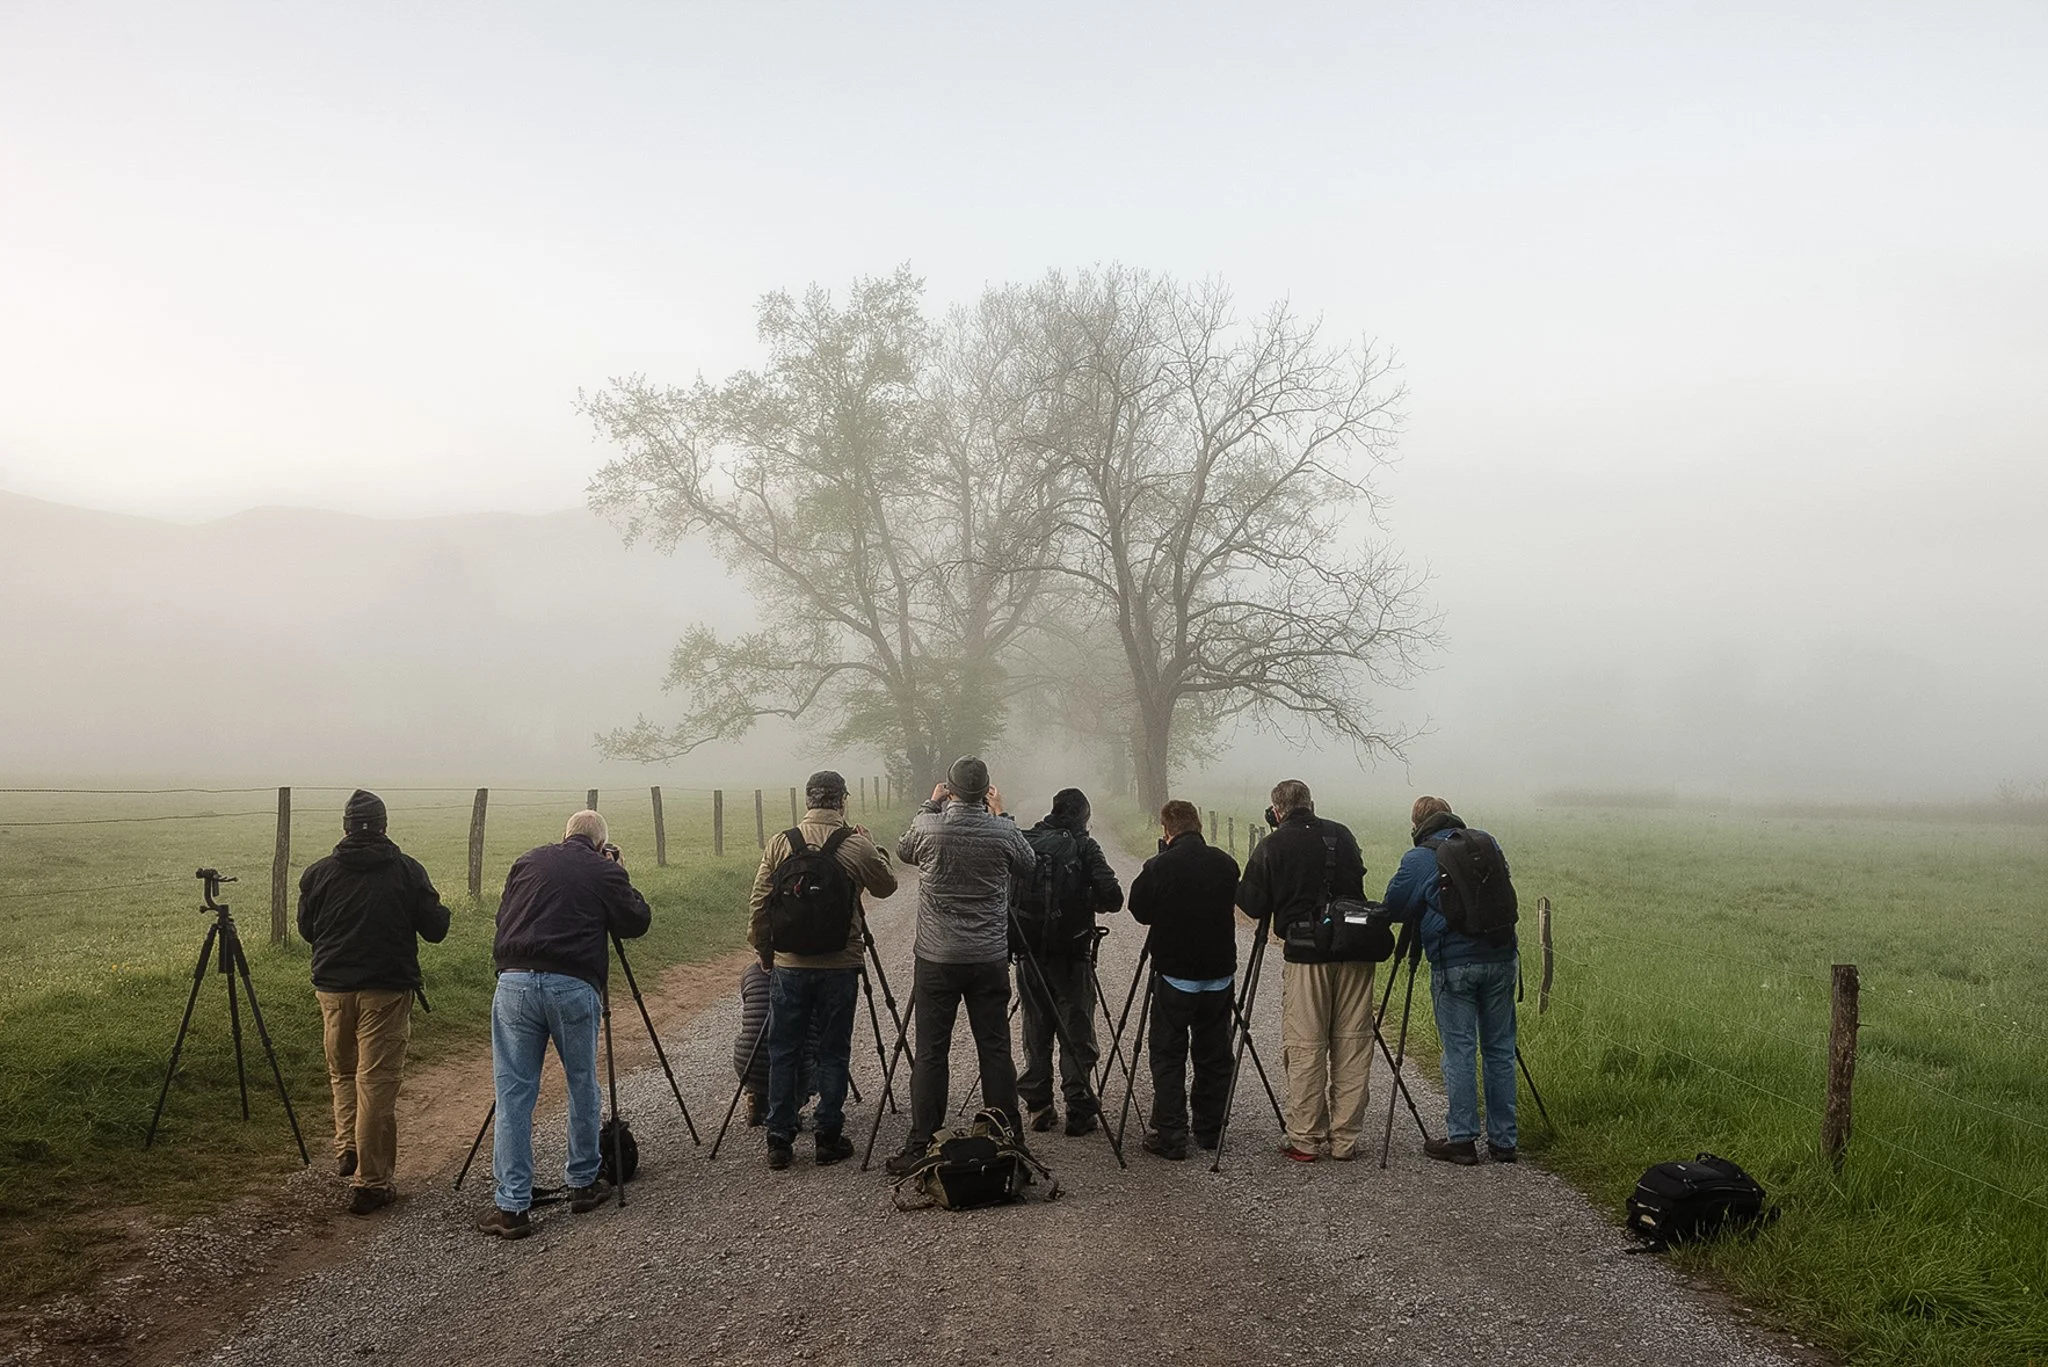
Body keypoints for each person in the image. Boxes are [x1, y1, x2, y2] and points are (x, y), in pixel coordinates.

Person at [477, 810, 651, 1239]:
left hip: (514, 981)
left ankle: (512, 1205)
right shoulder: (603, 869)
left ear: (564, 835)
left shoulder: (528, 860)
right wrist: (619, 874)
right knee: (581, 1082)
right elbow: (636, 922)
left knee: (514, 1093)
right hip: (573, 984)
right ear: (599, 843)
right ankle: (583, 1182)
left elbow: (504, 918)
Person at [296, 788, 450, 1215]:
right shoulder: (406, 871)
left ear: (345, 827)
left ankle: (348, 1147)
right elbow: (435, 929)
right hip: (385, 989)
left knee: (343, 1072)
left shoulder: (318, 873)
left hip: (332, 989)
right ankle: (372, 1182)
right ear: (384, 825)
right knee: (376, 1083)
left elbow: (308, 931)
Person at [885, 756, 1037, 1177]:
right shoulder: (1002, 829)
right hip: (988, 956)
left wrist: (929, 805)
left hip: (937, 957)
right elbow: (1029, 864)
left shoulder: (929, 825)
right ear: (985, 790)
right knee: (995, 1047)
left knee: (932, 1050)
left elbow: (903, 850)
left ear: (950, 790)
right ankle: (1009, 1138)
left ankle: (922, 1142)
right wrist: (1001, 813)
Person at [749, 769, 899, 1170]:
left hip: (789, 965)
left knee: (784, 1048)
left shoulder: (782, 843)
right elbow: (887, 886)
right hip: (839, 963)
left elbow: (760, 902)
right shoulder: (854, 845)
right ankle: (827, 1135)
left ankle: (779, 1138)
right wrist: (873, 847)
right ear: (842, 801)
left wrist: (765, 951)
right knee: (833, 1050)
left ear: (808, 800)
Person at [1235, 778, 1374, 1162]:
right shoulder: (1341, 834)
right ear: (1312, 804)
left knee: (1307, 1044)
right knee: (1352, 1042)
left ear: (1276, 810)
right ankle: (1345, 1140)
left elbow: (1252, 903)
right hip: (1356, 947)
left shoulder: (1274, 843)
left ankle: (1306, 1137)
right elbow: (1357, 879)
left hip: (1307, 955)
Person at [1382, 795, 1518, 1164]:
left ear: (1416, 824)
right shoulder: (1486, 841)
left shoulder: (1421, 856)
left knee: (1459, 1050)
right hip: (1502, 955)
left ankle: (1462, 1138)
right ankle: (1504, 1140)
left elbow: (1394, 906)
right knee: (1500, 1049)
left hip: (1454, 962)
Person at [1127, 799, 1241, 1160]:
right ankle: (1209, 1129)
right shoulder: (1226, 864)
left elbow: (1140, 910)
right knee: (1214, 1055)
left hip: (1176, 976)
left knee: (1168, 1053)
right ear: (1199, 827)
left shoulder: (1160, 865)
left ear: (1167, 830)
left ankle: (1171, 1133)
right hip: (1219, 975)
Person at [1014, 787, 1124, 1137]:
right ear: (1083, 817)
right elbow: (1113, 897)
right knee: (1076, 1029)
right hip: (1073, 954)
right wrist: (1084, 900)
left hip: (1029, 952)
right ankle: (1078, 1108)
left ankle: (1039, 1106)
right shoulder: (1084, 846)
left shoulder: (1025, 841)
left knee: (1036, 1026)